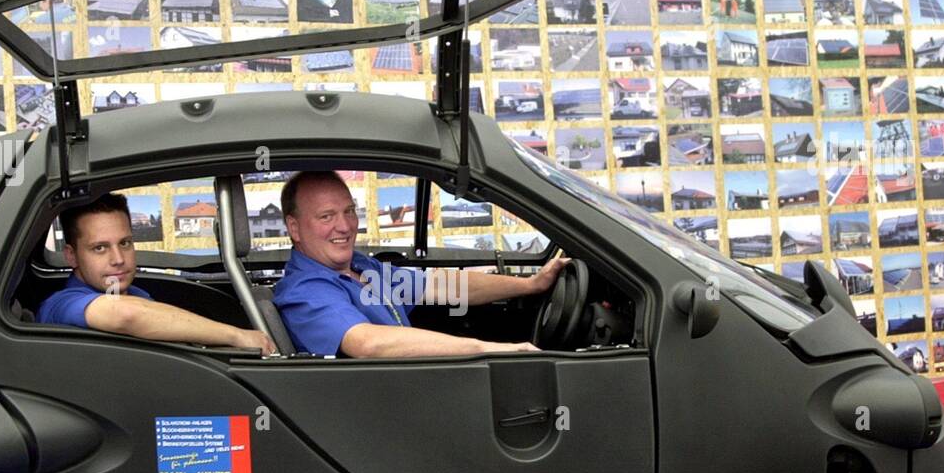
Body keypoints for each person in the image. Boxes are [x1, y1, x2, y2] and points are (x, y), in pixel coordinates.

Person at [273, 171, 567, 358]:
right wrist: (486, 350)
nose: (345, 226)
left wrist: (530, 285)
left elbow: (444, 286)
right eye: (326, 217)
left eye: (349, 211)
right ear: (295, 228)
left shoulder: (361, 267)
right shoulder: (305, 290)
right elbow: (366, 343)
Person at [37, 193, 275, 356]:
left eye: (125, 243)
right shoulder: (61, 305)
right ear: (71, 255)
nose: (118, 259)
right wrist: (236, 336)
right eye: (99, 248)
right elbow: (126, 315)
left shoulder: (138, 294)